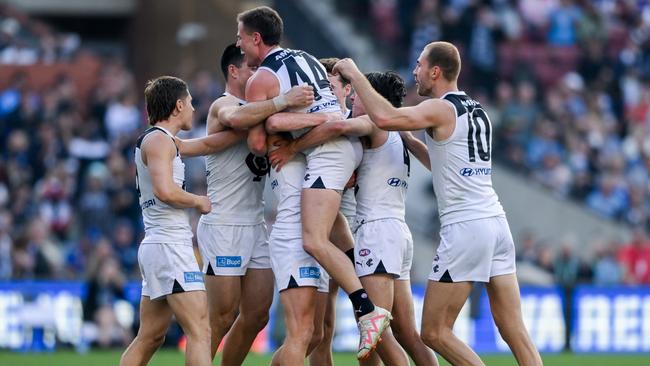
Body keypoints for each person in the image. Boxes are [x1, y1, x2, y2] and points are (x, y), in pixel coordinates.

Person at [332, 42, 543, 366]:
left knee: (433, 332)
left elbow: (386, 117)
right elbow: (448, 166)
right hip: (497, 224)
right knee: (514, 330)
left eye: (419, 65)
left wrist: (354, 74)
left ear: (435, 71)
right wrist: (414, 144)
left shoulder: (442, 108)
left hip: (465, 228)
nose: (414, 72)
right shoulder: (476, 110)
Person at [235, 6, 391, 359]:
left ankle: (367, 307)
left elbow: (259, 142)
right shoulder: (306, 58)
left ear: (255, 38)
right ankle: (361, 284)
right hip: (334, 155)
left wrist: (282, 131)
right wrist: (285, 118)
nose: (238, 43)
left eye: (241, 36)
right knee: (315, 334)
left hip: (300, 215)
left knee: (313, 243)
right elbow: (327, 115)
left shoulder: (261, 80)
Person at [269, 71, 437, 366]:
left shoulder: (372, 122)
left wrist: (294, 145)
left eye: (360, 93)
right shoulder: (401, 132)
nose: (356, 99)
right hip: (398, 232)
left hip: (376, 233)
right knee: (407, 334)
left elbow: (337, 126)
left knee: (377, 337)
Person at [175, 44, 314, 365]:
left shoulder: (263, 110)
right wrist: (283, 100)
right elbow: (236, 119)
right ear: (234, 71)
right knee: (220, 317)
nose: (260, 76)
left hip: (255, 224)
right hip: (224, 223)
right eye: (252, 69)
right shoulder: (225, 104)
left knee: (257, 315)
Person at [120, 76, 212, 366]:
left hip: (158, 245)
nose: (194, 110)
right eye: (192, 103)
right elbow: (165, 191)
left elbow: (206, 144)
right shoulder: (159, 140)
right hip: (169, 245)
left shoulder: (163, 140)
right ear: (179, 105)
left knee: (150, 336)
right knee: (200, 330)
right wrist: (199, 200)